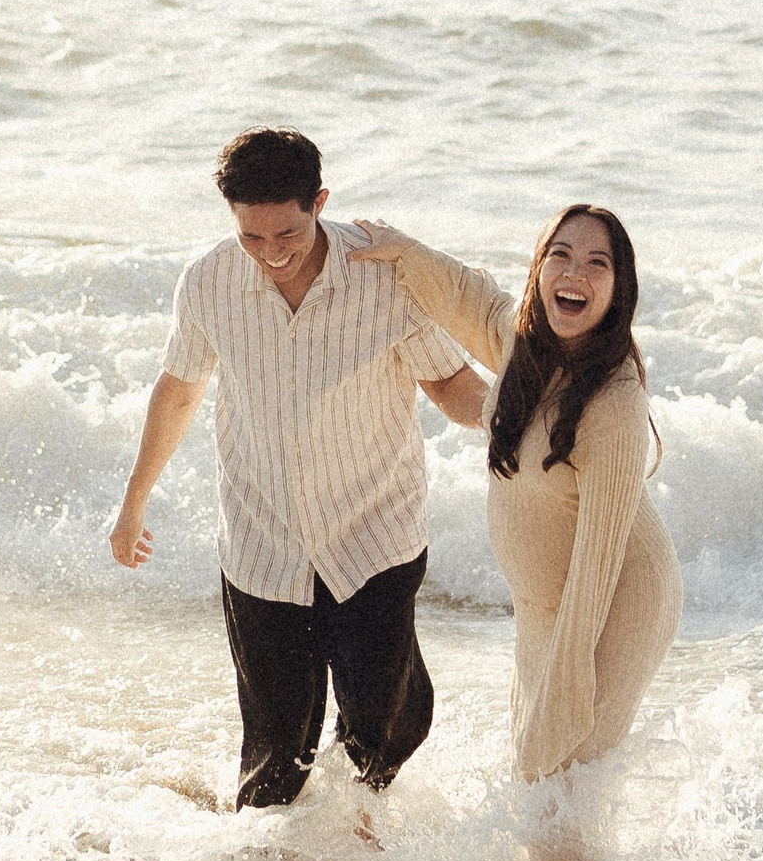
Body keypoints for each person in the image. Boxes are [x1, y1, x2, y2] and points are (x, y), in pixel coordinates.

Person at [109, 127, 487, 810]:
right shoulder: (208, 281)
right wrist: (133, 502)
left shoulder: (386, 276)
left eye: (287, 233)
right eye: (252, 238)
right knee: (273, 763)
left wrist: (518, 421)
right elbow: (180, 390)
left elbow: (450, 384)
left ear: (319, 201)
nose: (271, 254)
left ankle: (364, 825)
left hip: (373, 534)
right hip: (263, 545)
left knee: (383, 727)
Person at [342, 205, 682, 817]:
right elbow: (469, 298)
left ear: (619, 288)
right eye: (562, 255)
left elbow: (599, 563)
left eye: (596, 263)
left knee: (563, 788)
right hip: (545, 604)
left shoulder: (615, 403)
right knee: (539, 784)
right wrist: (402, 249)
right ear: (540, 267)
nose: (574, 273)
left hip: (614, 600)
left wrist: (568, 676)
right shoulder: (524, 344)